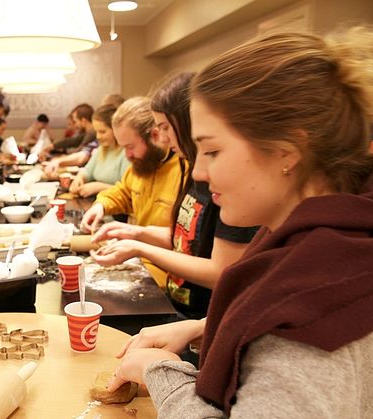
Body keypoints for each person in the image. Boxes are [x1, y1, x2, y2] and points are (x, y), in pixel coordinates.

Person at [108, 17, 373, 417]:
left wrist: (161, 373)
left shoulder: (304, 322)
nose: (199, 172)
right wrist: (206, 327)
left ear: (287, 151)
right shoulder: (361, 237)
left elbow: (290, 352)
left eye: (213, 151)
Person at [90, 73, 258, 319]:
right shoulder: (190, 168)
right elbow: (187, 240)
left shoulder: (226, 180)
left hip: (204, 314)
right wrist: (135, 233)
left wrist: (140, 247)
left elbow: (221, 272)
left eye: (165, 128)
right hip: (179, 304)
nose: (163, 138)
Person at [80, 97, 183, 286]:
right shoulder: (140, 166)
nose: (127, 155)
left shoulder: (185, 172)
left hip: (170, 274)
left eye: (130, 147)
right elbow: (123, 192)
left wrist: (137, 234)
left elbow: (184, 239)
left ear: (154, 135)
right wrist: (100, 206)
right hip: (140, 262)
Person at [69, 104, 130, 197]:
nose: (98, 136)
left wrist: (99, 187)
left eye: (102, 132)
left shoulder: (127, 153)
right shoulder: (101, 149)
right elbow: (88, 171)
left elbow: (127, 190)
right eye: (96, 131)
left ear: (115, 130)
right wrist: (80, 177)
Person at [43, 103, 98, 175]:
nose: (75, 125)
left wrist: (60, 160)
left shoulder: (92, 133)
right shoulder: (87, 133)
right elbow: (72, 141)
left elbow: (82, 154)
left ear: (83, 121)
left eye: (75, 121)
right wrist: (51, 147)